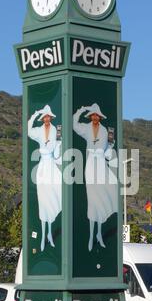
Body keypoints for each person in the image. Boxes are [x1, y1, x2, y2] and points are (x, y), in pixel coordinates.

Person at [73, 103, 118, 251]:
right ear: (90, 116)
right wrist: (81, 110)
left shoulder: (105, 131)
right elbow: (74, 125)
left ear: (99, 117)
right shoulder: (86, 128)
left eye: (97, 115)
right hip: (91, 165)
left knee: (101, 198)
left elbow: (106, 151)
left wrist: (111, 146)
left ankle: (99, 233)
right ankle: (92, 235)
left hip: (100, 166)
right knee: (92, 200)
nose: (95, 117)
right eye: (93, 115)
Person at [28, 104, 62, 251]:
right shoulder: (38, 131)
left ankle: (49, 233)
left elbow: (57, 152)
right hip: (42, 167)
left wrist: (59, 145)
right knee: (43, 201)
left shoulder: (56, 131)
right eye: (45, 117)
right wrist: (35, 114)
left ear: (51, 118)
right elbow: (29, 131)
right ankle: (43, 236)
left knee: (52, 199)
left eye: (49, 117)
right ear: (43, 119)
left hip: (52, 167)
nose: (47, 119)